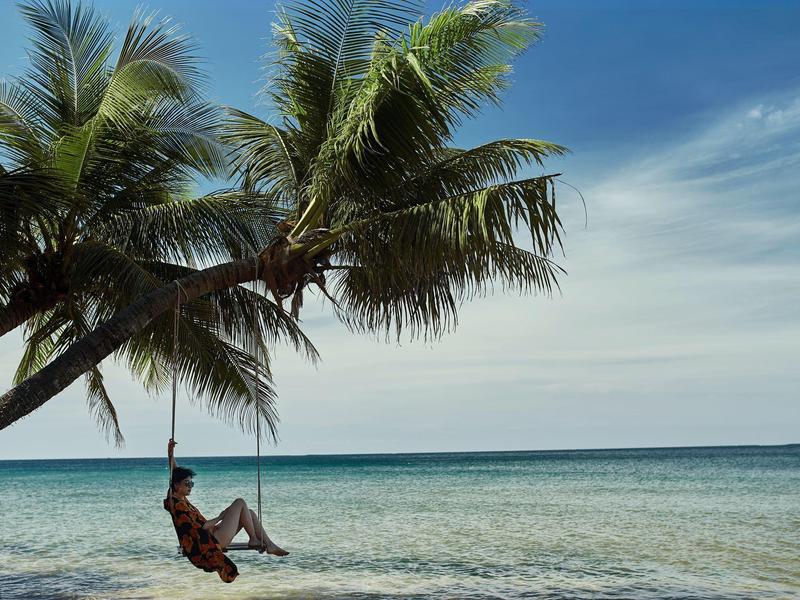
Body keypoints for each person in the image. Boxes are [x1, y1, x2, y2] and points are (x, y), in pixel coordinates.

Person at [164, 439, 288, 582]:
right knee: (239, 502)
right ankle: (254, 539)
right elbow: (201, 527)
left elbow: (175, 473)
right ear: (177, 485)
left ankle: (268, 544)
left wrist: (170, 455)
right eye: (187, 484)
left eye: (191, 483)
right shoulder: (177, 505)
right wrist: (220, 517)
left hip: (214, 534)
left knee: (250, 512)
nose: (190, 486)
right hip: (213, 540)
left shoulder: (179, 498)